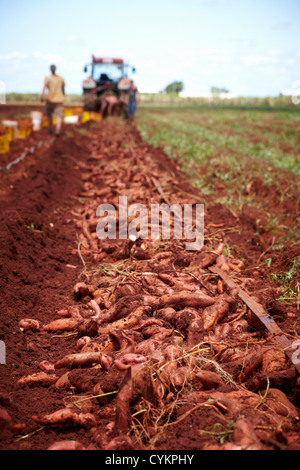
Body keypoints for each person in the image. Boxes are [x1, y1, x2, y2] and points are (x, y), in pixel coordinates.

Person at [40, 65, 65, 136]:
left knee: (49, 114)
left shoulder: (48, 78)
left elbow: (44, 87)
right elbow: (63, 88)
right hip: (59, 99)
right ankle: (57, 130)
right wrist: (63, 95)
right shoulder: (61, 78)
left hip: (50, 99)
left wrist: (41, 96)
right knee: (59, 115)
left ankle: (51, 129)